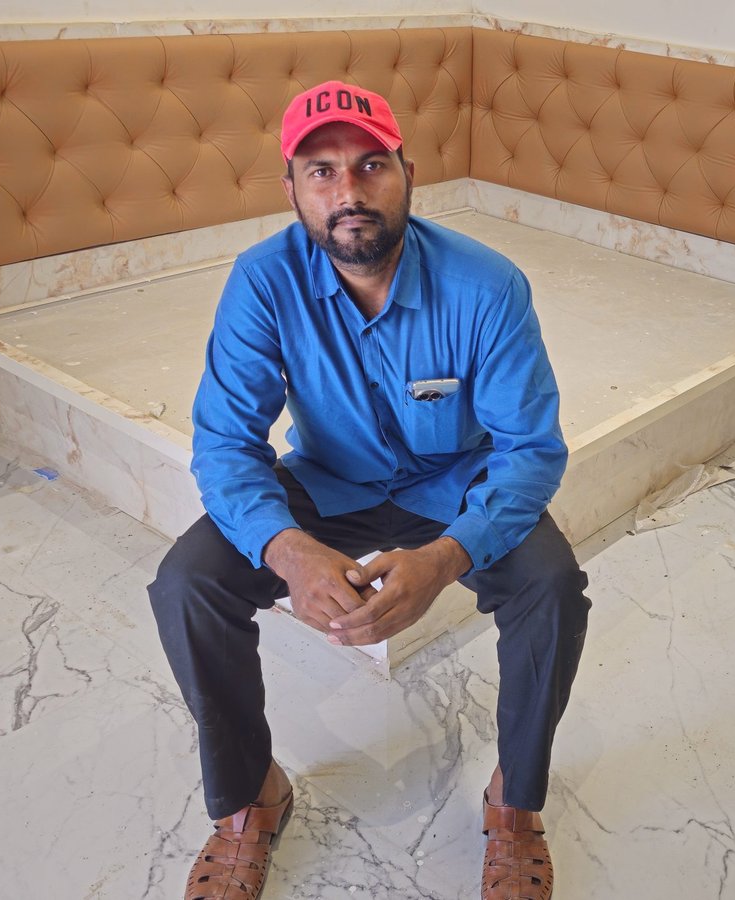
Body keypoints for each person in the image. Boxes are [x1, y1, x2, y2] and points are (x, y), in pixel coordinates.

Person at [147, 80, 590, 900]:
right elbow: (226, 442)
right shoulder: (262, 282)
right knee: (188, 582)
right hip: (329, 482)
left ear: (407, 175)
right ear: (291, 190)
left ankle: (516, 801)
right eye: (321, 171)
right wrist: (289, 549)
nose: (348, 191)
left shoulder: (486, 285)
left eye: (370, 165)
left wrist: (448, 557)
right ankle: (251, 797)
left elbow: (530, 449)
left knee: (552, 587)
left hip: (457, 484)